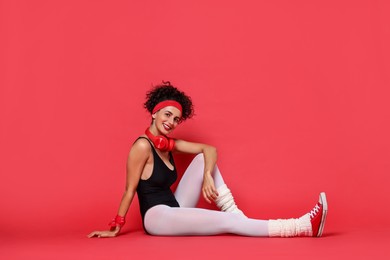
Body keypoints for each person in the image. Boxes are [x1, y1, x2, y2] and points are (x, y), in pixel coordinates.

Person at [88, 81, 328, 238]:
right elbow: (129, 190)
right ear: (154, 112)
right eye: (167, 115)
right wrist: (116, 226)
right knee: (227, 223)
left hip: (175, 207)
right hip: (157, 217)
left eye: (176, 119)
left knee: (203, 160)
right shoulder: (142, 146)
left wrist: (206, 178)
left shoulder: (170, 144)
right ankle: (301, 226)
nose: (171, 122)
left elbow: (209, 150)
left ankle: (238, 216)